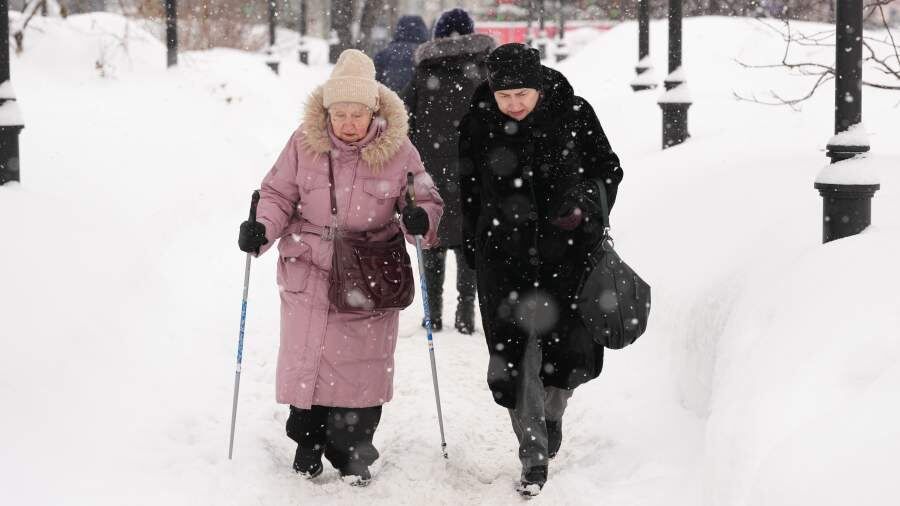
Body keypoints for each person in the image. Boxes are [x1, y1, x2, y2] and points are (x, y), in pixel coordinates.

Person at [237, 49, 443, 487]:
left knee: (362, 367)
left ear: (374, 111)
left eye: (357, 114)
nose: (348, 123)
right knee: (308, 359)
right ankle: (307, 443)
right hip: (309, 265)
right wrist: (261, 228)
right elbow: (277, 194)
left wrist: (420, 219)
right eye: (340, 114)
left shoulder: (399, 150)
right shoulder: (303, 143)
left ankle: (352, 451)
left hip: (369, 269)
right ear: (327, 112)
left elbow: (425, 198)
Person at [457, 43, 623, 496]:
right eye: (504, 96)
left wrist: (584, 204)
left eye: (522, 95)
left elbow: (609, 170)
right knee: (516, 359)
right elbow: (468, 191)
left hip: (566, 255)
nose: (513, 104)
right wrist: (474, 245)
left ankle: (551, 415)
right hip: (503, 258)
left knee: (565, 356)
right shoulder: (478, 123)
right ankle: (532, 455)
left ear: (539, 88)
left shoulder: (574, 113)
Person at [403, 8, 495, 334]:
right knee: (469, 240)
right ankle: (466, 311)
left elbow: (406, 122)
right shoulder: (485, 71)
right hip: (473, 169)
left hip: (431, 168)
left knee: (433, 237)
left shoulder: (423, 72)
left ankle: (433, 313)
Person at [373, 15, 429, 94]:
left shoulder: (383, 55)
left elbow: (375, 84)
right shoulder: (426, 55)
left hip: (389, 99)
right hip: (417, 100)